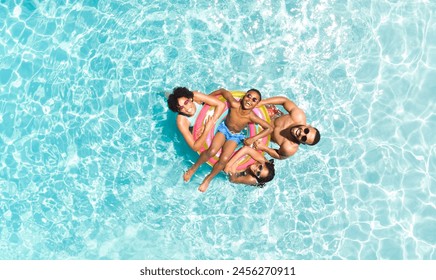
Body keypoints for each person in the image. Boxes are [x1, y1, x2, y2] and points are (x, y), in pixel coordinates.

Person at [183, 88, 273, 192]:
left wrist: (253, 138)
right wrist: (206, 100)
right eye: (248, 96)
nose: (249, 100)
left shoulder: (252, 116)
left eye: (254, 100)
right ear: (244, 96)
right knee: (212, 151)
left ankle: (208, 179)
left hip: (235, 136)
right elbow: (222, 91)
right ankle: (193, 168)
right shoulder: (234, 104)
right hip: (224, 129)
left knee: (225, 159)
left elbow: (269, 128)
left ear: (256, 104)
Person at [254, 96, 321, 159]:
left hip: (264, 134)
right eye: (306, 131)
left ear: (302, 143)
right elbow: (284, 101)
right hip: (271, 115)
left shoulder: (289, 147)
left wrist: (265, 148)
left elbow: (280, 156)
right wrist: (263, 102)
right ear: (308, 126)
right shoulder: (298, 116)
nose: (302, 133)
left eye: (304, 138)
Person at [167, 87, 226, 152]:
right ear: (178, 110)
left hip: (204, 109)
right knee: (169, 96)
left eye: (186, 102)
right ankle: (164, 93)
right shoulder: (181, 121)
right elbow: (194, 147)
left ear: (190, 98)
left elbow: (221, 104)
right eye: (181, 107)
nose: (186, 108)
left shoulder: (196, 96)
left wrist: (212, 121)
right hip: (194, 127)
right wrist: (206, 130)